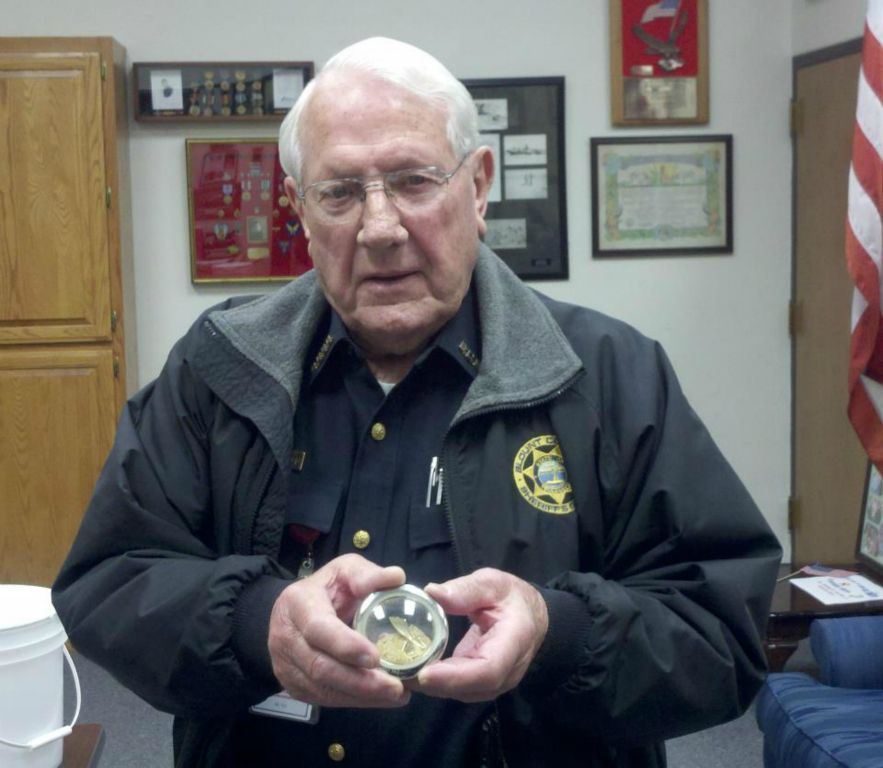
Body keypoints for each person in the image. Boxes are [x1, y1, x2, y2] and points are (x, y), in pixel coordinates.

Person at [53, 37, 781, 768]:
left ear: (479, 186)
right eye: (339, 192)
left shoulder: (608, 377)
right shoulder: (218, 370)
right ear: (300, 212)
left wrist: (554, 633)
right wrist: (254, 623)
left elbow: (721, 631)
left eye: (412, 180)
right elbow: (110, 580)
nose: (379, 227)